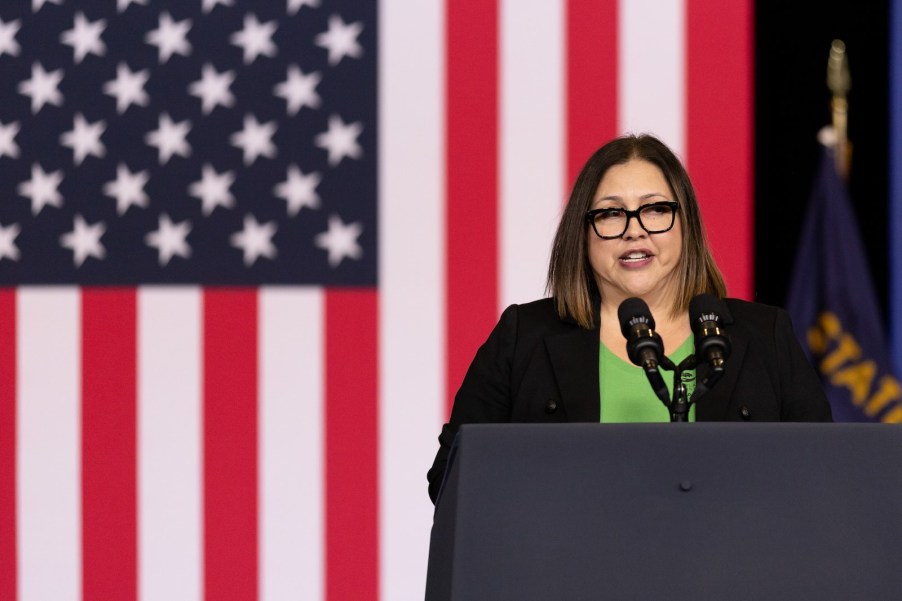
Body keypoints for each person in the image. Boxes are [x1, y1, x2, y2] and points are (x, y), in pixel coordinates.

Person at [427, 133, 832, 504]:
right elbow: (450, 479)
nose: (634, 231)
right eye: (610, 214)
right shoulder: (524, 337)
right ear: (582, 233)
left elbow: (824, 479)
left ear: (686, 224)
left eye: (655, 209)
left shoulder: (764, 336)